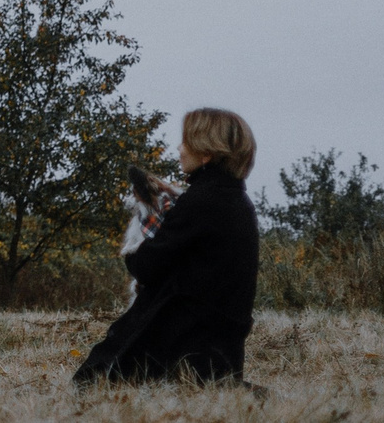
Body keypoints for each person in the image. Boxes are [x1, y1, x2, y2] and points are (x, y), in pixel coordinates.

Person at [74, 108, 262, 386]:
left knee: (93, 380)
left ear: (206, 153)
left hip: (186, 345)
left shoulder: (200, 201)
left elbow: (147, 266)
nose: (179, 149)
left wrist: (136, 249)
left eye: (185, 142)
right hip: (223, 348)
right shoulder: (239, 202)